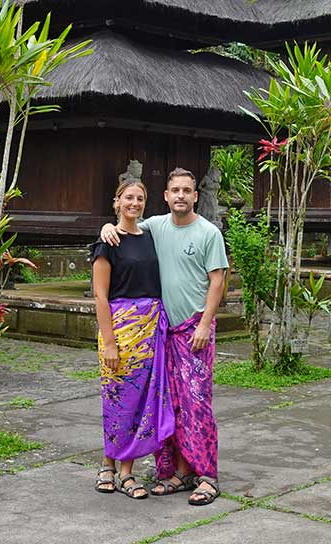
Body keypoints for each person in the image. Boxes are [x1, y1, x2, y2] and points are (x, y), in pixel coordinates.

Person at [101, 167, 227, 506]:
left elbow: (218, 281)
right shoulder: (155, 226)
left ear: (196, 196)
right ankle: (179, 472)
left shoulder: (208, 232)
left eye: (187, 190)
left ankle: (207, 475)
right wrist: (107, 227)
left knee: (196, 404)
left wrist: (204, 323)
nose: (181, 195)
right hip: (161, 332)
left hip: (194, 330)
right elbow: (125, 229)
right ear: (166, 196)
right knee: (168, 405)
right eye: (176, 190)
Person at [91, 179, 174, 500]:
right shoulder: (107, 242)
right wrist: (109, 342)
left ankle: (118, 469)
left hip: (150, 331)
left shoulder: (152, 238)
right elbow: (100, 297)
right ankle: (116, 468)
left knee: (141, 402)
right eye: (128, 198)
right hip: (120, 330)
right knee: (117, 399)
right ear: (116, 202)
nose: (134, 203)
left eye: (140, 198)